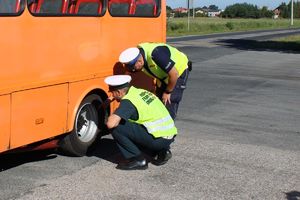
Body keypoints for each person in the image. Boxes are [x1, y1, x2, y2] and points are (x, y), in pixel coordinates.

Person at [104, 74, 177, 170]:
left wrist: (108, 112)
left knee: (117, 128)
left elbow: (111, 124)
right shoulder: (139, 92)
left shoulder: (128, 102)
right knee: (132, 121)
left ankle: (138, 160)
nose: (111, 95)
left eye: (112, 92)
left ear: (119, 92)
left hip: (158, 140)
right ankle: (162, 151)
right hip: (169, 135)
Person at [119, 42, 192, 120]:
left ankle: (169, 129)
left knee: (169, 102)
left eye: (133, 68)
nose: (133, 70)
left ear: (139, 61)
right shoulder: (136, 58)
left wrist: (168, 92)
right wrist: (118, 90)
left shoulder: (156, 54)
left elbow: (174, 74)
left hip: (178, 71)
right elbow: (127, 75)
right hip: (164, 76)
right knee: (159, 103)